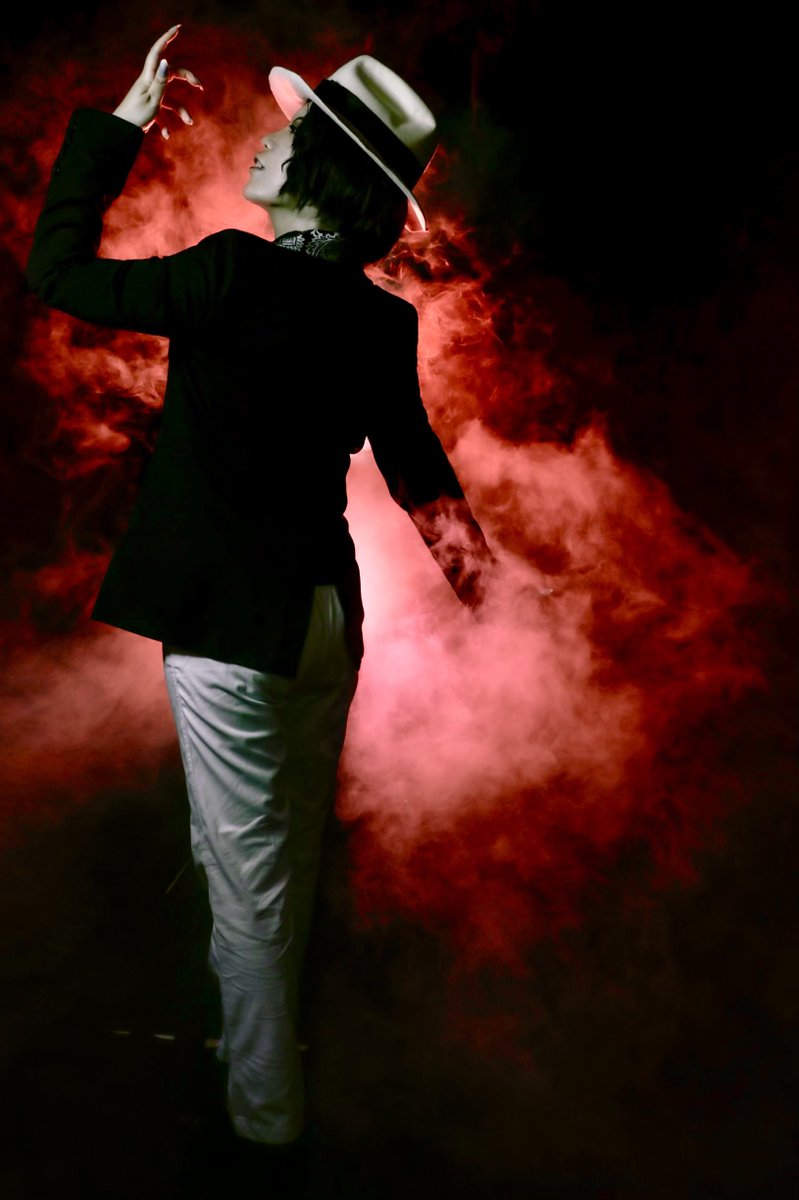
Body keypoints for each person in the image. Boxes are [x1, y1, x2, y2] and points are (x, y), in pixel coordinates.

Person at [27, 24, 494, 1169]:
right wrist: (496, 597)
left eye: (291, 136)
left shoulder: (232, 272)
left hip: (235, 634)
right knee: (270, 865)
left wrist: (117, 134)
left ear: (320, 172)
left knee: (251, 892)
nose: (265, 143)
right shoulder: (379, 319)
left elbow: (56, 272)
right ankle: (259, 1067)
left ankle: (264, 1126)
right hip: (324, 624)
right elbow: (419, 472)